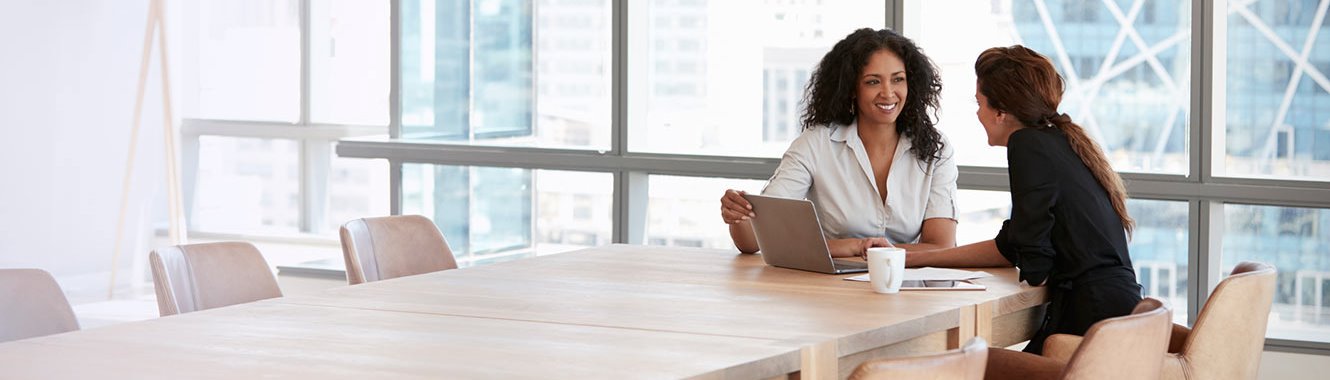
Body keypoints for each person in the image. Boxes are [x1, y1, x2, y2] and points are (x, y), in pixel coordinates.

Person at [905, 45, 1142, 361]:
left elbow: (1034, 264)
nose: (978, 114)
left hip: (1092, 318)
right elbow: (1012, 245)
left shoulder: (1027, 144)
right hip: (1115, 311)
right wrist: (917, 259)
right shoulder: (1058, 140)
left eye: (980, 103)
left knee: (972, 363)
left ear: (1001, 112)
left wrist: (1027, 251)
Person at [719, 28, 958, 258]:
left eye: (898, 79)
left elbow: (941, 246)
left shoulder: (936, 150)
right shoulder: (816, 144)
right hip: (829, 288)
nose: (888, 92)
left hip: (907, 287)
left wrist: (867, 251)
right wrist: (738, 214)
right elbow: (752, 241)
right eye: (873, 82)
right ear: (852, 88)